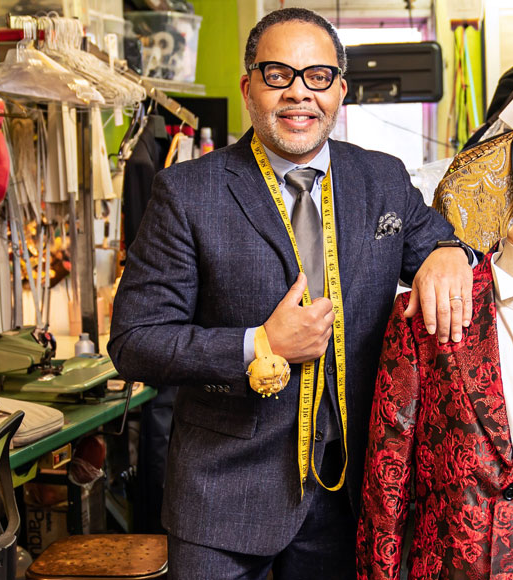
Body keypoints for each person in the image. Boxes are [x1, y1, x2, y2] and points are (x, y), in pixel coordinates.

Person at [108, 7, 477, 579]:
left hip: (347, 496)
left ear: (340, 90)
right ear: (249, 86)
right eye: (278, 75)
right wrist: (259, 345)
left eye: (318, 77)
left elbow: (437, 244)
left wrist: (451, 252)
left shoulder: (382, 178)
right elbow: (135, 341)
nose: (299, 93)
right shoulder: (187, 193)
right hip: (222, 500)